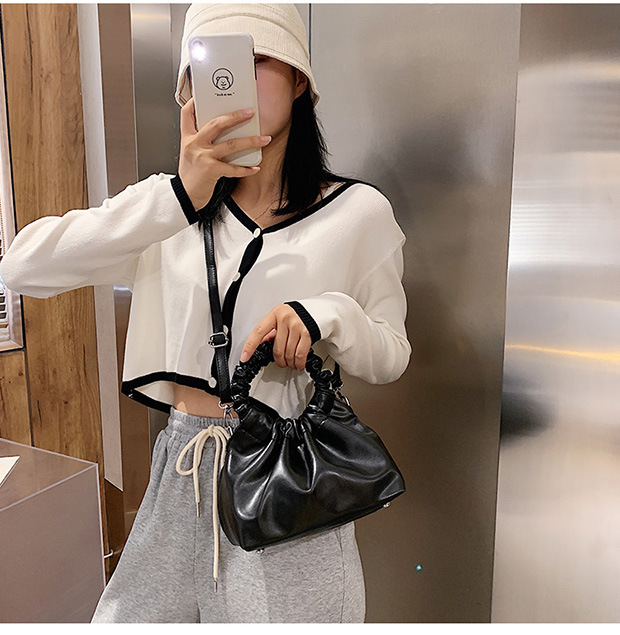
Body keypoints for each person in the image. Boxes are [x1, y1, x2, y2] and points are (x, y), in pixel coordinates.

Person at [0, 3, 411, 623]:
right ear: (188, 89)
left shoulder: (358, 214)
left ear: (299, 79)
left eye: (256, 59)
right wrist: (178, 196)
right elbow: (21, 266)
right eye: (214, 63)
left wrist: (329, 315)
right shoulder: (165, 211)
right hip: (181, 469)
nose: (232, 80)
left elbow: (390, 354)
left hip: (284, 474)